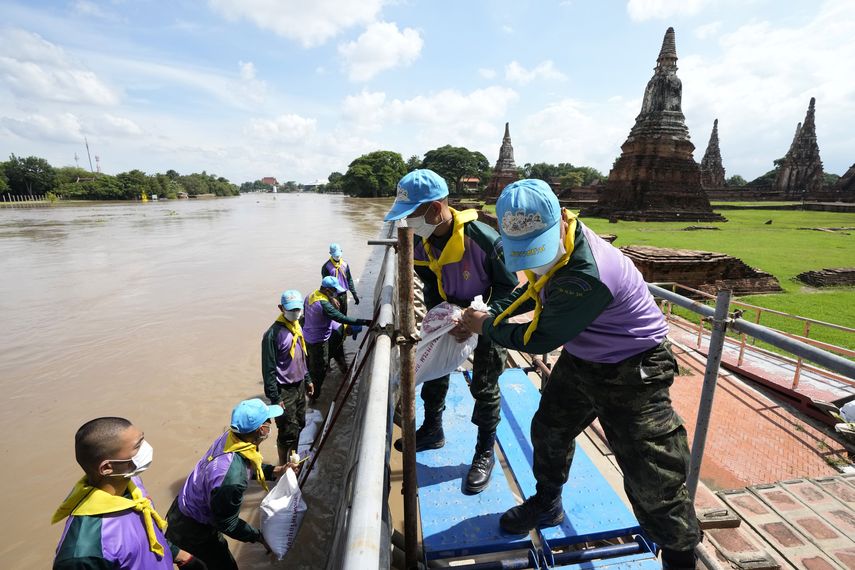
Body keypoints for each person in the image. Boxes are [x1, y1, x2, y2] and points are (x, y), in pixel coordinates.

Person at [459, 179, 701, 570]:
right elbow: (528, 295)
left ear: (559, 222)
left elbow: (539, 338)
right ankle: (548, 502)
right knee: (550, 430)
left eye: (536, 248)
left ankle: (679, 555)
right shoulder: (559, 242)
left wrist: (484, 326)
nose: (531, 260)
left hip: (633, 367)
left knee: (652, 471)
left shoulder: (586, 273)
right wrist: (489, 317)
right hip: (583, 357)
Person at [384, 169, 518, 494]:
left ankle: (483, 451)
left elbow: (510, 287)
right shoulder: (419, 241)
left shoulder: (483, 240)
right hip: (447, 313)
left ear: (434, 208)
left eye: (411, 215)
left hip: (487, 315)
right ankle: (432, 428)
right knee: (434, 370)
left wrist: (479, 318)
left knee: (484, 386)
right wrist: (443, 317)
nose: (408, 224)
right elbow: (429, 279)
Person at [52, 417, 203, 569]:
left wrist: (179, 555)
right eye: (138, 446)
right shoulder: (84, 552)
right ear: (106, 468)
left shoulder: (132, 484)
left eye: (143, 439)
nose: (146, 448)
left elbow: (145, 532)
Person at [165, 399, 290, 570]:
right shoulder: (232, 479)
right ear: (262, 430)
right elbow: (227, 524)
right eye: (268, 420)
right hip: (192, 529)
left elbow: (248, 465)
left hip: (183, 507)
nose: (271, 424)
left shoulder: (232, 438)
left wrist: (277, 470)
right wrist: (259, 537)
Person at [262, 289, 314, 465]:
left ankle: (295, 458)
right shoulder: (272, 335)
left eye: (298, 309)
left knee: (300, 423)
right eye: (291, 309)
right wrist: (275, 398)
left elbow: (301, 357)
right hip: (284, 390)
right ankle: (283, 465)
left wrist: (307, 379)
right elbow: (268, 370)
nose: (295, 313)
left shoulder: (297, 327)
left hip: (299, 385)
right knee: (286, 431)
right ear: (281, 308)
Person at [303, 275, 371, 399]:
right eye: (334, 291)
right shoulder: (325, 306)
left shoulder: (311, 295)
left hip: (307, 335)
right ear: (328, 290)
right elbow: (342, 318)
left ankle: (311, 380)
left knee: (314, 362)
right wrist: (365, 322)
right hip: (317, 340)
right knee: (319, 369)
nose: (336, 293)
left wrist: (330, 299)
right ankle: (313, 396)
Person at [321, 243, 359, 315]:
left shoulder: (345, 265)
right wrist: (331, 298)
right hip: (333, 295)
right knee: (336, 316)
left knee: (344, 315)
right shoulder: (326, 267)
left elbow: (349, 280)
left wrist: (354, 294)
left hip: (343, 294)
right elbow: (325, 285)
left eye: (338, 254)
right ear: (330, 253)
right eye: (335, 255)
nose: (337, 257)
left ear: (341, 251)